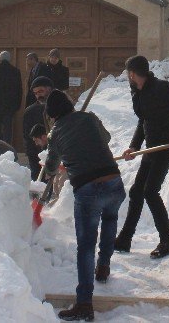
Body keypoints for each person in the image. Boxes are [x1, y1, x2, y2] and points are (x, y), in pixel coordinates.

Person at [43, 89, 125, 322]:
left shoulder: (55, 134)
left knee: (86, 246)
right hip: (113, 181)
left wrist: (62, 160)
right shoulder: (89, 118)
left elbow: (50, 168)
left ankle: (84, 304)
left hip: (88, 188)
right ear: (69, 105)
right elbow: (106, 139)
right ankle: (104, 266)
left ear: (51, 114)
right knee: (110, 220)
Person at [115, 55, 169, 260]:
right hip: (151, 149)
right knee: (136, 192)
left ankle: (168, 241)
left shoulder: (162, 88)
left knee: (150, 191)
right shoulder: (138, 93)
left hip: (166, 147)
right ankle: (124, 239)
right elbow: (144, 121)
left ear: (132, 74)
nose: (127, 77)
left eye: (127, 73)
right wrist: (134, 146)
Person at [23, 76, 54, 179]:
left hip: (57, 153)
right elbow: (27, 135)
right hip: (37, 154)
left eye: (41, 91)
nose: (38, 95)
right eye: (35, 93)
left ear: (49, 89)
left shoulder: (61, 107)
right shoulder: (30, 111)